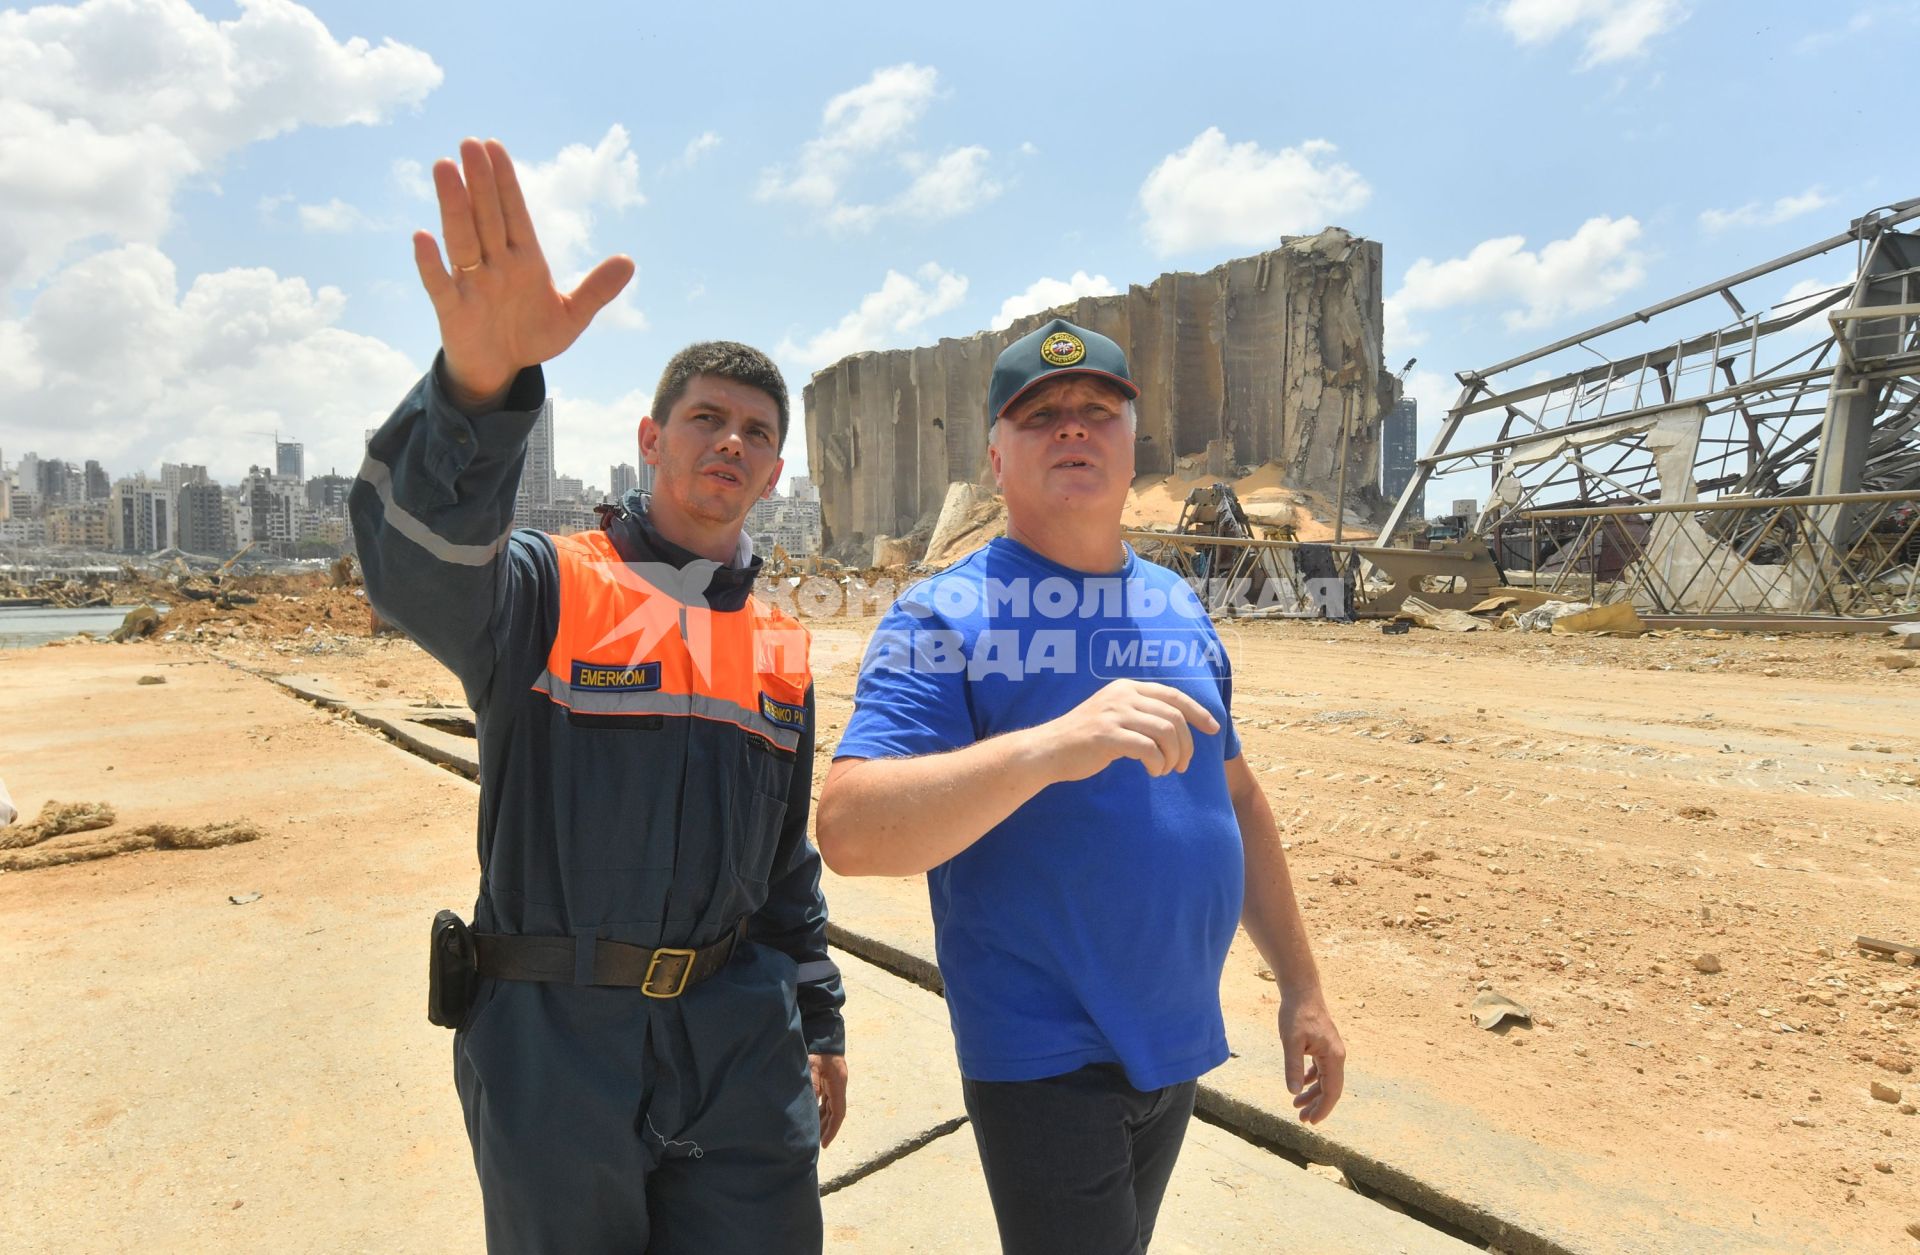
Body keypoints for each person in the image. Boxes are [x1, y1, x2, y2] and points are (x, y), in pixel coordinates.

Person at [350, 138, 846, 1254]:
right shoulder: (546, 583)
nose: (733, 441)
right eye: (708, 418)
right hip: (552, 1038)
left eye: (758, 433)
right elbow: (417, 565)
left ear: (774, 475)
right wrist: (476, 391)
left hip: (737, 1037)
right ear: (650, 438)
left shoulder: (774, 641)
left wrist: (817, 1019)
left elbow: (784, 869)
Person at [815, 318, 1343, 1254]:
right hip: (1048, 1058)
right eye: (1041, 414)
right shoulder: (941, 614)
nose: (1072, 427)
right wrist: (1052, 745)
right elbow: (850, 831)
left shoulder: (1178, 601)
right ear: (995, 455)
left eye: (1096, 411)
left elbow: (1239, 798)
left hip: (1173, 1041)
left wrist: (1301, 984)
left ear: (1132, 442)